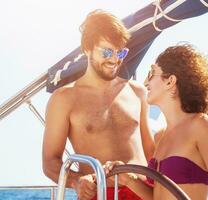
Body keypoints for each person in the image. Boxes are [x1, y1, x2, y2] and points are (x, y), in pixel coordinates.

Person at [42, 9, 154, 200]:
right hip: (99, 194)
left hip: (143, 192)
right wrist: (76, 181)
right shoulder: (64, 99)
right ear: (87, 49)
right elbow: (50, 162)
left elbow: (151, 152)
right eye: (107, 51)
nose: (114, 59)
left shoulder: (138, 92)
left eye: (121, 52)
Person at [105, 44, 208, 200]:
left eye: (151, 73)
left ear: (170, 81)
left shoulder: (200, 124)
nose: (145, 82)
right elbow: (158, 195)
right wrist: (129, 179)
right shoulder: (160, 136)